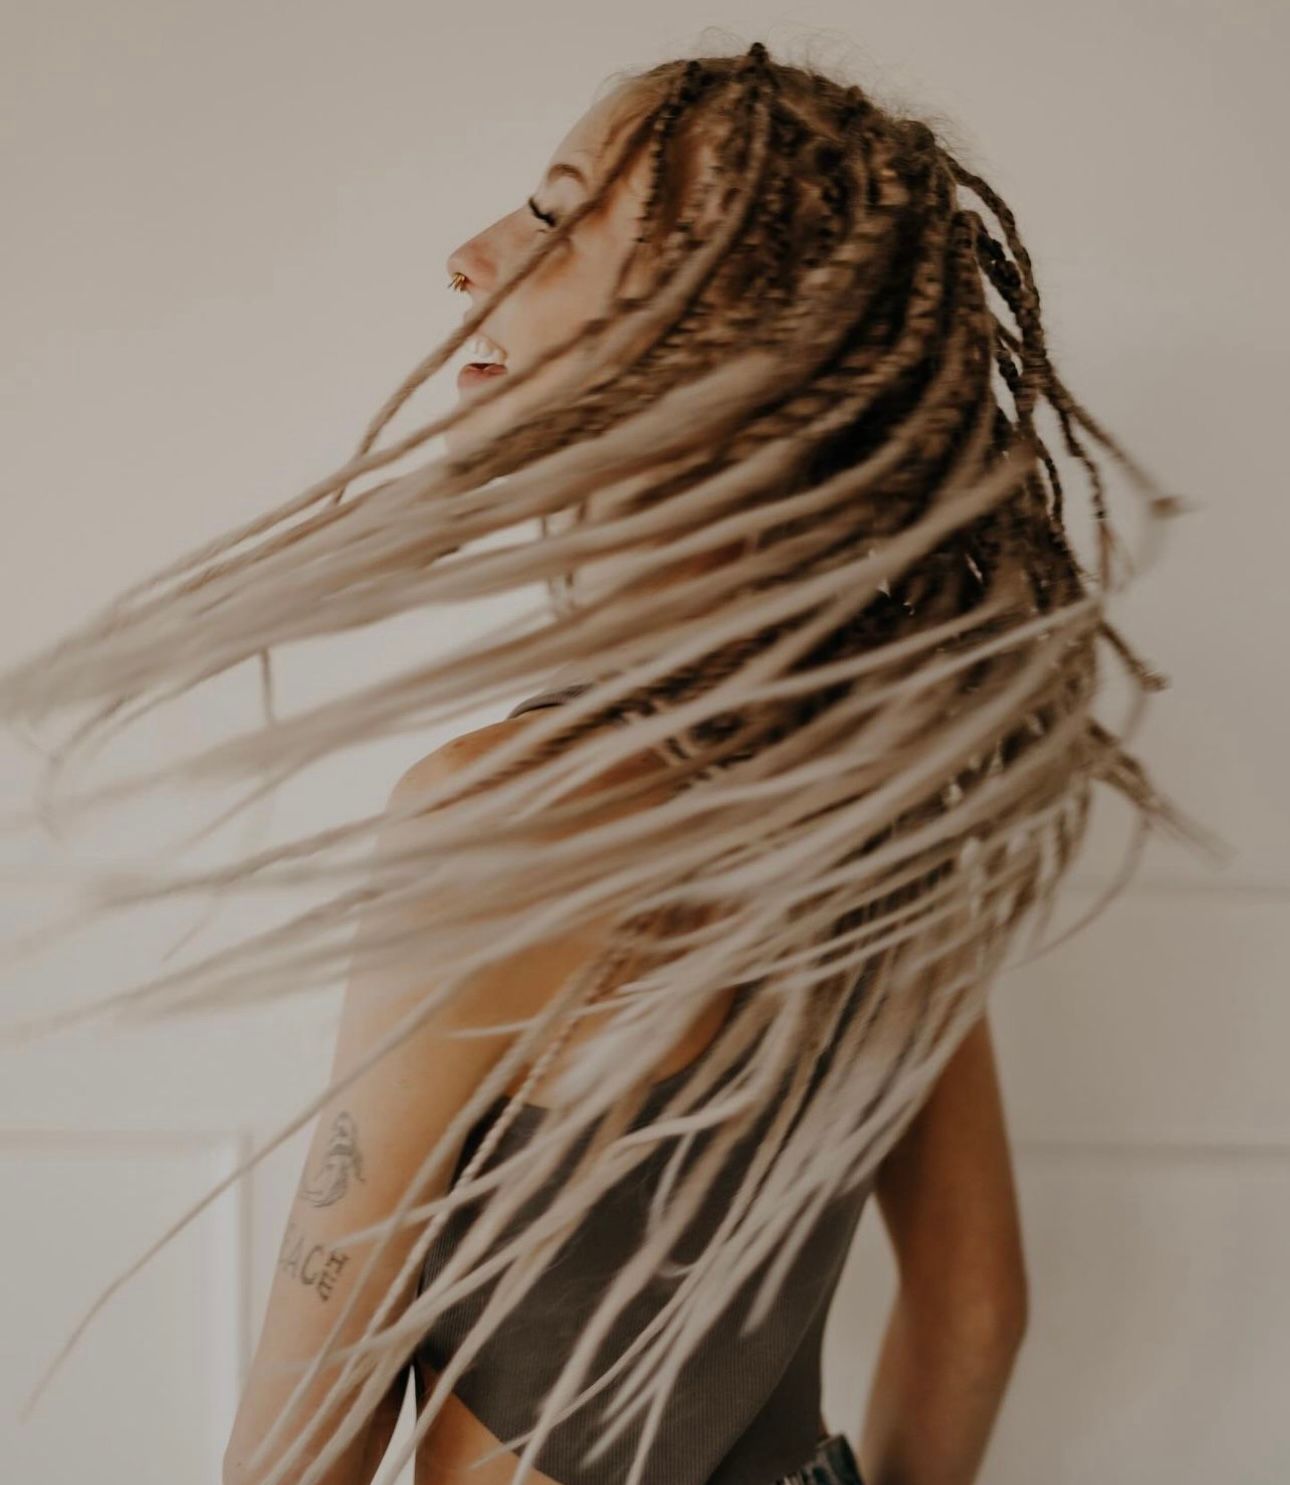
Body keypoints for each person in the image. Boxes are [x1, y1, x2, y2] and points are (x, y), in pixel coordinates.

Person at [0, 35, 1212, 1485]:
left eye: (557, 212)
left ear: (718, 324)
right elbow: (972, 1311)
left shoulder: (505, 819)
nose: (471, 258)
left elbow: (312, 1419)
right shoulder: (890, 801)